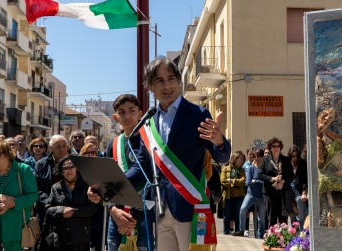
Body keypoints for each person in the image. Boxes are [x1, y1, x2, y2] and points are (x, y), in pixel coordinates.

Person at [137, 57, 231, 251]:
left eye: (171, 78)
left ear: (179, 81)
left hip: (190, 207)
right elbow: (142, 167)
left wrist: (220, 142)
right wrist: (110, 187)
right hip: (160, 209)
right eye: (159, 81)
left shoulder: (198, 114)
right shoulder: (148, 121)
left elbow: (222, 157)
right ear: (150, 87)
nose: (167, 85)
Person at [87, 94, 154, 251]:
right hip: (116, 214)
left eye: (132, 110)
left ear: (140, 113)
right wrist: (111, 207)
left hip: (143, 214)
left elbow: (140, 171)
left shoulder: (149, 139)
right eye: (122, 112)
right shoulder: (114, 144)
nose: (127, 116)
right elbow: (106, 175)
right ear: (115, 117)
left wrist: (103, 190)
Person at [0, 139, 38, 250]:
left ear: (7, 153)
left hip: (14, 225)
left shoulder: (22, 170)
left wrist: (12, 203)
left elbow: (33, 195)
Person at [43, 156, 97, 251]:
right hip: (61, 236)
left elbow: (93, 208)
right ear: (61, 171)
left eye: (72, 166)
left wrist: (74, 212)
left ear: (77, 168)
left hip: (80, 235)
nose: (69, 170)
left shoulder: (86, 185)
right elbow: (48, 208)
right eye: (65, 168)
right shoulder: (56, 187)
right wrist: (61, 211)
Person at [258, 137, 294, 228]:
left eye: (278, 146)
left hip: (283, 192)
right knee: (272, 217)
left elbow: (292, 175)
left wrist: (283, 181)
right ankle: (272, 239)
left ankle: (284, 239)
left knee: (283, 218)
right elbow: (260, 175)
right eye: (274, 146)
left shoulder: (286, 160)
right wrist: (273, 178)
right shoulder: (265, 160)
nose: (276, 148)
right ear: (270, 148)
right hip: (269, 193)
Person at [34, 135, 69, 222]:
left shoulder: (74, 164)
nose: (61, 149)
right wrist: (49, 203)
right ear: (50, 148)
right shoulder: (41, 165)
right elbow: (36, 188)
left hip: (68, 212)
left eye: (64, 146)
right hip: (46, 211)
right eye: (58, 147)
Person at [233, 149, 266, 238]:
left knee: (261, 218)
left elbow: (265, 181)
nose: (258, 159)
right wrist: (259, 182)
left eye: (259, 157)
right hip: (250, 194)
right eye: (256, 157)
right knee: (243, 209)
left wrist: (255, 181)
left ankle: (261, 235)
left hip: (261, 196)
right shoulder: (250, 168)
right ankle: (241, 230)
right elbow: (248, 182)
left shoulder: (264, 169)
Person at [79, 142, 104, 251]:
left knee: (99, 242)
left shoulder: (102, 168)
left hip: (98, 212)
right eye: (86, 152)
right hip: (82, 211)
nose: (89, 155)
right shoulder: (76, 169)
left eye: (92, 152)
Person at [220, 151, 246, 235]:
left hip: (239, 196)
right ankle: (226, 233)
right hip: (228, 195)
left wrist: (232, 181)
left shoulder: (242, 170)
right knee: (226, 216)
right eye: (240, 159)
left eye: (242, 159)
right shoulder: (225, 168)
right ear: (234, 159)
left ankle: (238, 232)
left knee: (238, 215)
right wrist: (235, 184)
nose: (241, 161)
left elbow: (243, 182)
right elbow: (223, 181)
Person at [287, 145, 308, 229]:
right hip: (289, 190)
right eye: (292, 156)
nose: (294, 158)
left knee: (301, 216)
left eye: (296, 156)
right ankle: (294, 236)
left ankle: (303, 236)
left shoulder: (303, 163)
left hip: (299, 190)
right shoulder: (287, 163)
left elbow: (305, 180)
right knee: (292, 216)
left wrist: (304, 192)